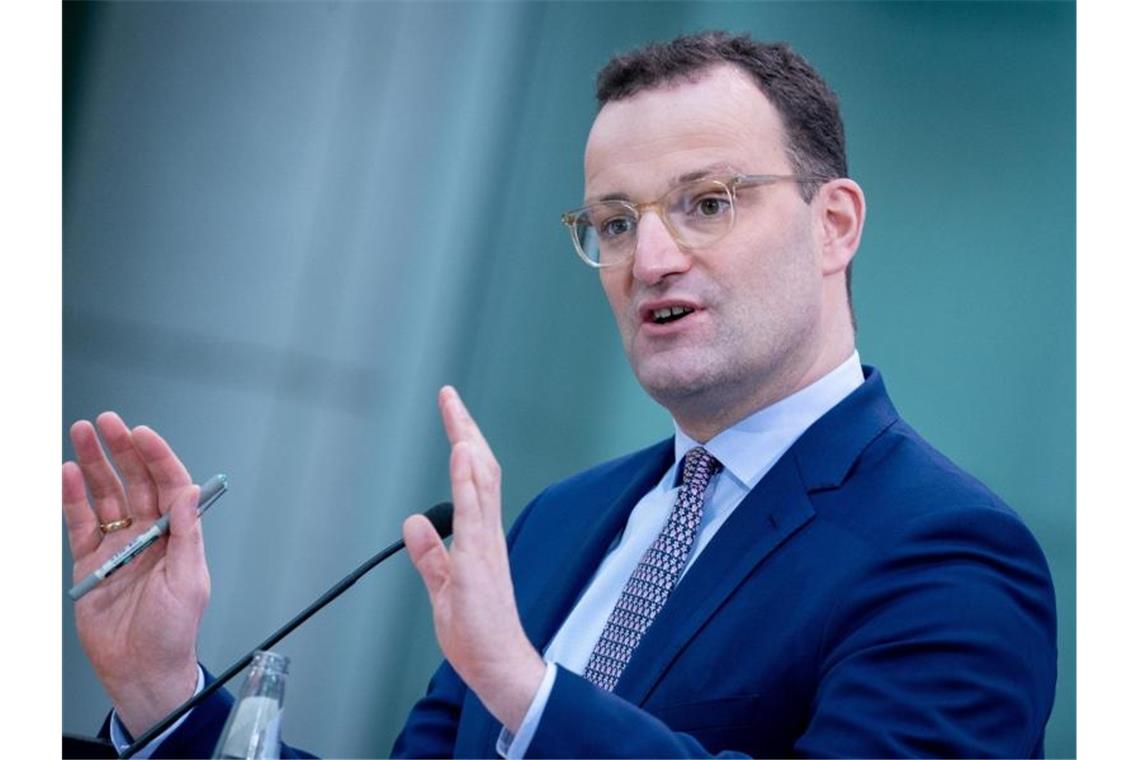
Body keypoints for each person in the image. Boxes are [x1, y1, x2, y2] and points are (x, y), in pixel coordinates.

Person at [63, 31, 1057, 758]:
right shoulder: (560, 522)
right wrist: (162, 691)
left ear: (834, 223)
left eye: (706, 203)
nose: (651, 258)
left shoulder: (953, 554)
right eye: (614, 223)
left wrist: (528, 691)